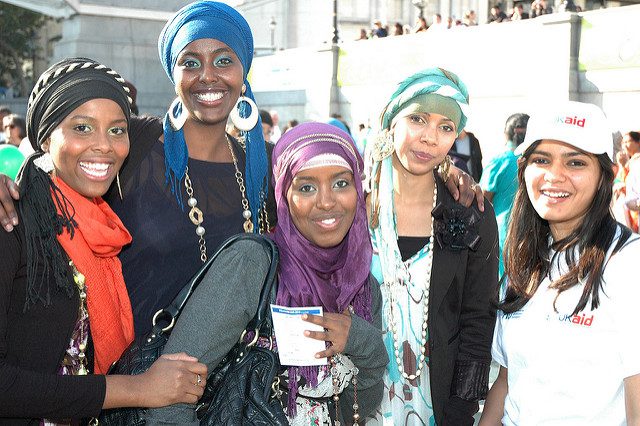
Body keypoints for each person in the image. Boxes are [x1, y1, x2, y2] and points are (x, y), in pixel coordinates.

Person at [0, 1, 480, 337]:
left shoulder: (261, 165)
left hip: (236, 386)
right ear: (175, 73)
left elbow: (328, 212)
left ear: (243, 70)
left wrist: (442, 175)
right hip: (137, 385)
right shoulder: (137, 144)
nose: (208, 76)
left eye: (224, 60)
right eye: (191, 62)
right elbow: (61, 165)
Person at [0, 57, 207, 425]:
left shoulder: (105, 221)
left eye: (116, 130)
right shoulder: (12, 220)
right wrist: (137, 389)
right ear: (46, 137)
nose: (105, 146)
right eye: (82, 128)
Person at [480, 101, 640, 425]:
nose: (554, 176)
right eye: (541, 160)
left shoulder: (627, 262)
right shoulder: (525, 259)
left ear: (603, 177)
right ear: (524, 169)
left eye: (576, 162)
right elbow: (507, 381)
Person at [365, 67, 499, 425]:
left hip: (438, 407)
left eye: (446, 127)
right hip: (359, 404)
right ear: (392, 121)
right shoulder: (354, 212)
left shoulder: (472, 215)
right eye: (418, 119)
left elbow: (478, 323)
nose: (430, 138)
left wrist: (460, 412)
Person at [271, 121, 387, 424]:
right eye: (307, 187)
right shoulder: (257, 270)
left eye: (340, 183)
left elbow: (353, 413)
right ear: (284, 195)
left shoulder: (362, 287)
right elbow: (179, 380)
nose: (326, 201)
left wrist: (363, 341)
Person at [480, 113, 529, 278]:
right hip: (532, 230)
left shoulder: (499, 162)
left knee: (502, 280)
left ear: (507, 134)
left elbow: (481, 200)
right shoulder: (537, 161)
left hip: (502, 234)